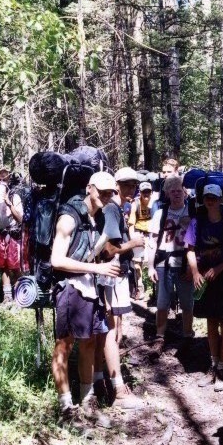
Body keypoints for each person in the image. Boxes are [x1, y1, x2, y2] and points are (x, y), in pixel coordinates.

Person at [50, 171, 122, 426]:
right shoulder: (69, 218)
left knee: (89, 343)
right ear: (89, 188)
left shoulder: (100, 218)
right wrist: (98, 269)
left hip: (91, 287)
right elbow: (56, 260)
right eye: (101, 191)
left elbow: (100, 250)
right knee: (65, 346)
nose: (105, 196)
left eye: (110, 192)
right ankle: (66, 407)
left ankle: (88, 400)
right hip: (71, 287)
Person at [185, 184, 223, 391]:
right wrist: (194, 272)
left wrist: (219, 268)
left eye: (214, 197)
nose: (210, 201)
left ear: (220, 200)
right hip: (204, 280)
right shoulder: (197, 222)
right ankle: (213, 365)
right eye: (207, 197)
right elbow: (190, 250)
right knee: (211, 322)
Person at [93, 167, 145, 410]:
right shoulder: (112, 209)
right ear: (116, 185)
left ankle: (102, 381)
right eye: (126, 185)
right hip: (111, 276)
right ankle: (112, 385)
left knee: (113, 330)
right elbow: (109, 250)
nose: (131, 190)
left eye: (134, 185)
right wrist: (133, 243)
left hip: (117, 276)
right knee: (111, 331)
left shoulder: (121, 208)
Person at [147, 175, 194, 339]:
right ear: (167, 193)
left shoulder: (192, 212)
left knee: (187, 303)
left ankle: (188, 334)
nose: (176, 194)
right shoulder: (160, 214)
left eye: (179, 190)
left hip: (185, 263)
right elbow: (152, 241)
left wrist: (193, 268)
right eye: (172, 191)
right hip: (163, 263)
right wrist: (150, 266)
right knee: (162, 303)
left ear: (185, 192)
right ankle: (160, 335)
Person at [0, 169, 24, 305]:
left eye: (4, 180)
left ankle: (20, 297)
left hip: (13, 234)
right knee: (3, 266)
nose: (1, 182)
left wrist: (9, 204)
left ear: (8, 181)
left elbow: (20, 218)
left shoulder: (14, 196)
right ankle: (7, 298)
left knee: (15, 266)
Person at [128, 181, 154, 299]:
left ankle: (155, 291)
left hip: (152, 234)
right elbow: (131, 224)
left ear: (151, 192)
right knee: (137, 262)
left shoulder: (155, 203)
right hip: (139, 233)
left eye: (148, 192)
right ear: (140, 193)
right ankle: (140, 287)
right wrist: (133, 238)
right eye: (144, 192)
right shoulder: (136, 204)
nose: (146, 194)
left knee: (152, 261)